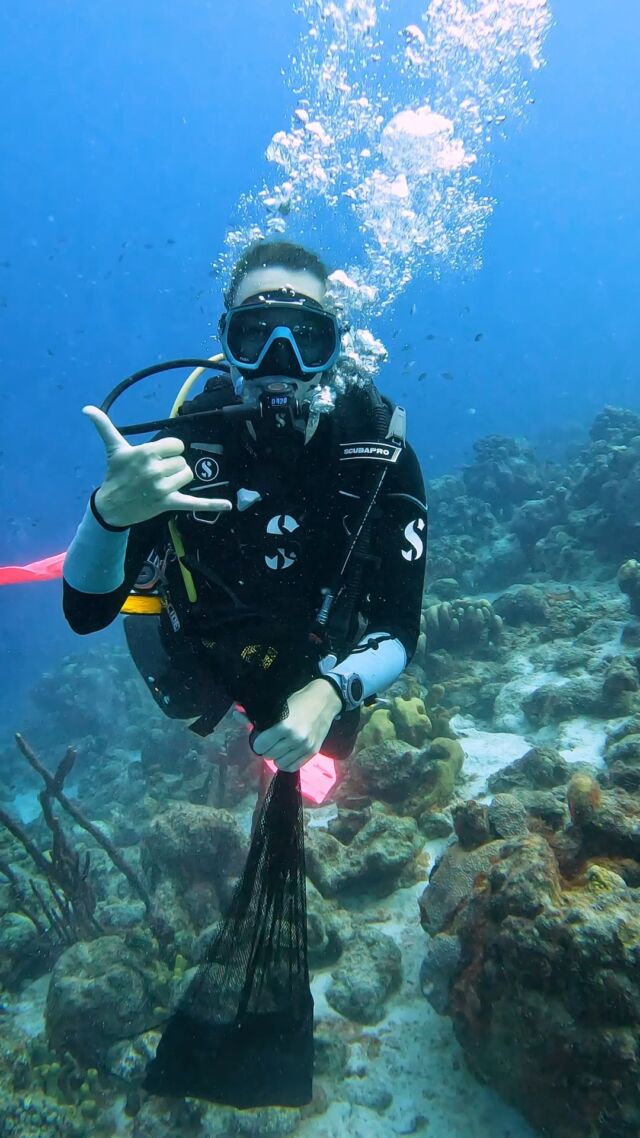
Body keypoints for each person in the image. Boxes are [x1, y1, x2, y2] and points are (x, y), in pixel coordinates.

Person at [62, 240, 427, 775]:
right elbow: (85, 615)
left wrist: (330, 693)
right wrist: (107, 516)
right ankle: (128, 560)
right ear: (227, 343)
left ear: (335, 348)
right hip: (205, 656)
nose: (280, 360)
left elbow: (399, 626)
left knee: (337, 742)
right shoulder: (186, 446)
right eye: (255, 333)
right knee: (184, 701)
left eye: (306, 337)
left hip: (322, 655)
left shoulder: (378, 455)